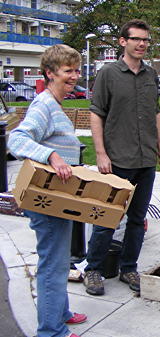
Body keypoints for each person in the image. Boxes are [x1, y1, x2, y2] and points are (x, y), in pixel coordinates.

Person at [83, 19, 160, 296]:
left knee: (137, 219)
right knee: (107, 217)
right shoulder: (108, 73)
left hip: (146, 160)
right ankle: (93, 270)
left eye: (145, 40)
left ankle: (129, 267)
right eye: (136, 39)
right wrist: (100, 153)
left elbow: (156, 113)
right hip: (118, 159)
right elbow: (96, 113)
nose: (142, 44)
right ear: (123, 41)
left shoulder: (151, 75)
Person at [8, 44, 87, 337]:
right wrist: (51, 156)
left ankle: (61, 312)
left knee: (58, 258)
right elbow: (16, 141)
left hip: (58, 197)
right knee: (53, 264)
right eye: (68, 71)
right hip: (46, 201)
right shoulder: (43, 105)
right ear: (50, 73)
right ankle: (51, 331)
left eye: (77, 70)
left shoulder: (53, 103)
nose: (74, 76)